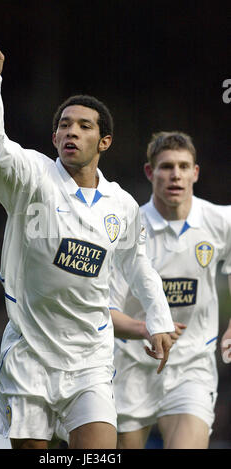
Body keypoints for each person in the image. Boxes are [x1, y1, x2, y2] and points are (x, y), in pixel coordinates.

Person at [0, 23, 175, 450]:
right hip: (30, 352)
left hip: (90, 358)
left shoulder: (121, 205)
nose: (71, 132)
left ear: (104, 141)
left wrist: (157, 321)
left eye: (83, 126)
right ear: (53, 137)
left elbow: (138, 265)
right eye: (64, 125)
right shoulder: (29, 177)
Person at [110, 131, 231, 449]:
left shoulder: (219, 221)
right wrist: (146, 328)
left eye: (183, 166)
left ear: (195, 172)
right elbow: (102, 312)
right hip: (130, 367)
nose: (175, 174)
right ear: (150, 173)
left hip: (192, 366)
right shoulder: (127, 230)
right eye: (165, 167)